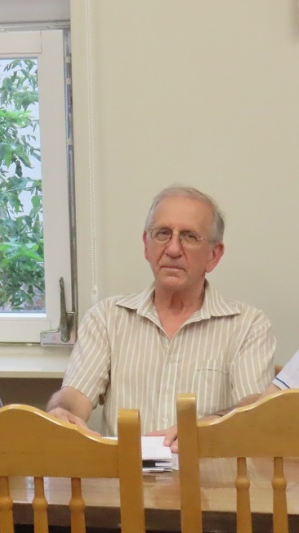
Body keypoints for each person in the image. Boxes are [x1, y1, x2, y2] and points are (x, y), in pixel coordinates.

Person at [47, 186, 274, 442]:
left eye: (189, 236)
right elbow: (75, 395)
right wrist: (61, 411)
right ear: (147, 245)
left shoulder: (249, 325)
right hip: (125, 466)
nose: (173, 249)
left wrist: (206, 427)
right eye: (163, 234)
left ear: (214, 255)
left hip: (205, 466)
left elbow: (253, 410)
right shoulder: (106, 318)